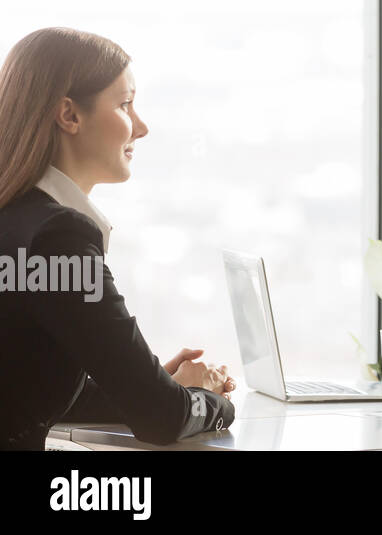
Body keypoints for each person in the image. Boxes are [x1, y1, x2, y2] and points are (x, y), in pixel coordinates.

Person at [0, 28, 236, 450]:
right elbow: (161, 419)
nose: (141, 127)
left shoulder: (16, 221)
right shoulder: (59, 237)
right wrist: (212, 401)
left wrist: (149, 385)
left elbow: (26, 392)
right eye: (126, 104)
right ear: (69, 115)